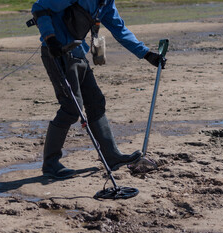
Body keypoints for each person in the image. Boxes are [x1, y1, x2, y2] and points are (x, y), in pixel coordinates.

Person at [31, 0, 167, 179]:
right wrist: (50, 38)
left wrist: (147, 54)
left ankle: (111, 156)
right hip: (56, 53)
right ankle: (50, 164)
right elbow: (39, 8)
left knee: (96, 102)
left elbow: (119, 29)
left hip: (78, 53)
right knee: (71, 108)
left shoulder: (106, 3)